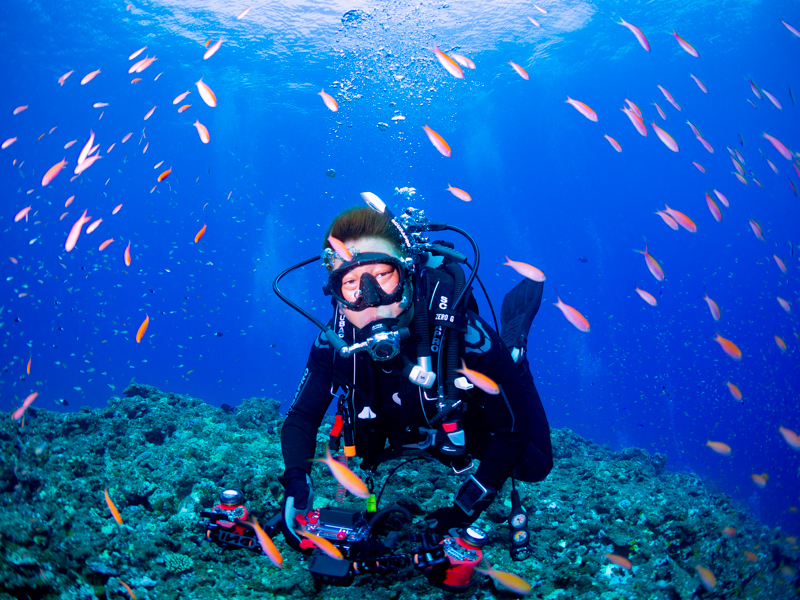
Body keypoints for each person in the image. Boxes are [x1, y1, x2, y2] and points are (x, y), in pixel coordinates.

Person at [278, 204, 553, 552]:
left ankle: (514, 354)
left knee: (536, 464)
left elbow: (512, 431)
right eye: (351, 283)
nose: (371, 299)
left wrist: (463, 510)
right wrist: (295, 483)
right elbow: (301, 418)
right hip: (389, 429)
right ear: (335, 294)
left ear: (407, 272)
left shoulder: (465, 336)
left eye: (382, 275)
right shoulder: (333, 342)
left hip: (457, 426)